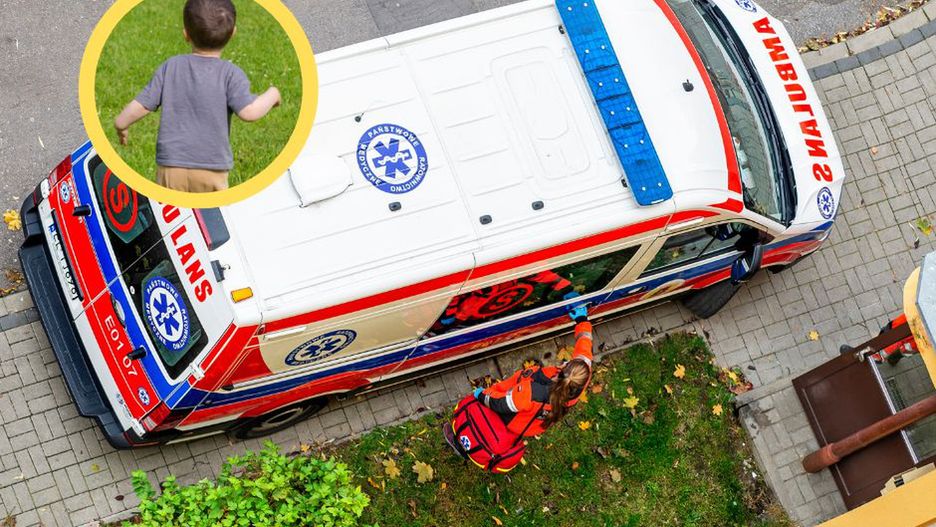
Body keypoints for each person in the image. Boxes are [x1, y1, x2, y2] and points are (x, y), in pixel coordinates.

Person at [114, 0, 282, 193]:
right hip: (212, 169)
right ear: (233, 33)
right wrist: (272, 94)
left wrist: (121, 124)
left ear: (186, 34)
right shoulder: (230, 73)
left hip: (171, 167)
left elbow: (142, 105)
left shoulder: (171, 66)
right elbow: (250, 112)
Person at [443, 301, 593, 472]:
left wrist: (481, 395)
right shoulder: (578, 381)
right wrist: (582, 320)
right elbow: (584, 347)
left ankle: (462, 444)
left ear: (563, 369)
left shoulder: (532, 393)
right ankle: (470, 446)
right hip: (527, 425)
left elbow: (501, 405)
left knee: (475, 416)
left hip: (510, 416)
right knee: (494, 436)